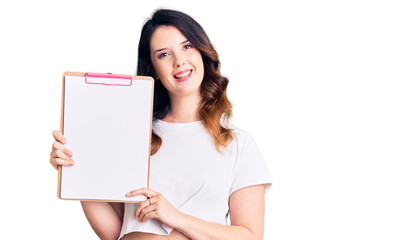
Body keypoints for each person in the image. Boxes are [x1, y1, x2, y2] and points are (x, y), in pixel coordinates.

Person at [50, 9, 271, 240]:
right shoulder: (132, 134)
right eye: (164, 54)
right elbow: (113, 231)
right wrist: (77, 169)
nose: (179, 61)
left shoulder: (238, 144)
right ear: (153, 69)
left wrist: (175, 217)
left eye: (187, 47)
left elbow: (250, 236)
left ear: (202, 52)